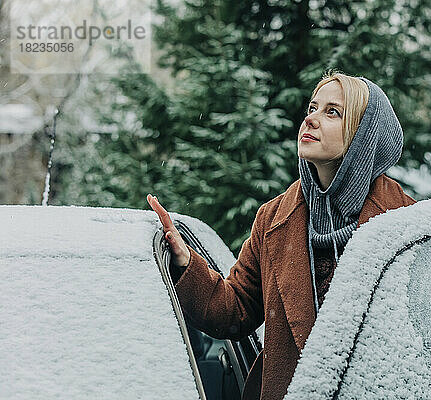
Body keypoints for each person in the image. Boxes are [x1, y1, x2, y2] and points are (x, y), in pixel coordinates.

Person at [147, 71, 416, 400]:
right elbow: (234, 310)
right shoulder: (274, 218)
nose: (312, 119)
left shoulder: (406, 221)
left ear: (363, 133)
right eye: (312, 109)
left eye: (333, 112)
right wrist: (185, 262)